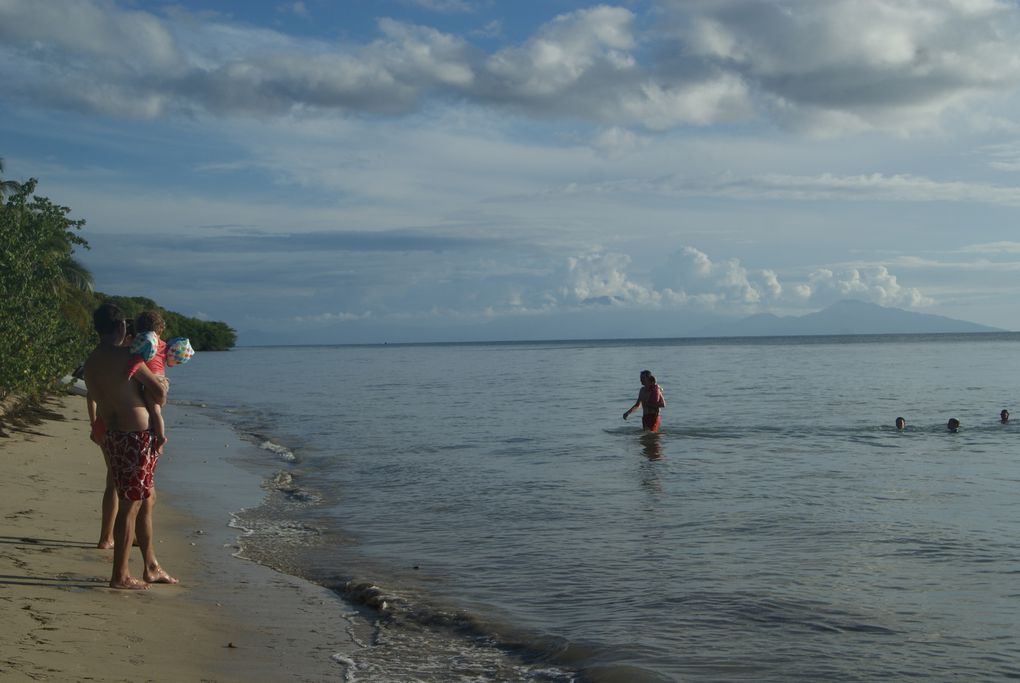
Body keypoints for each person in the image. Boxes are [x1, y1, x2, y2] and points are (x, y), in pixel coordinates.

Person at [83, 302, 176, 589]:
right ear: (122, 326)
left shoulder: (91, 361)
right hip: (135, 436)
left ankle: (151, 565)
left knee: (144, 497)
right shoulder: (128, 356)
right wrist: (163, 383)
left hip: (112, 434)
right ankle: (120, 575)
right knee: (131, 504)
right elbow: (158, 394)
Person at [132, 310, 170, 454]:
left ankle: (161, 438)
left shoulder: (145, 342)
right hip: (163, 379)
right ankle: (157, 434)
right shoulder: (164, 344)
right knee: (156, 409)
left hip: (153, 379)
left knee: (155, 411)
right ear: (160, 328)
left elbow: (136, 359)